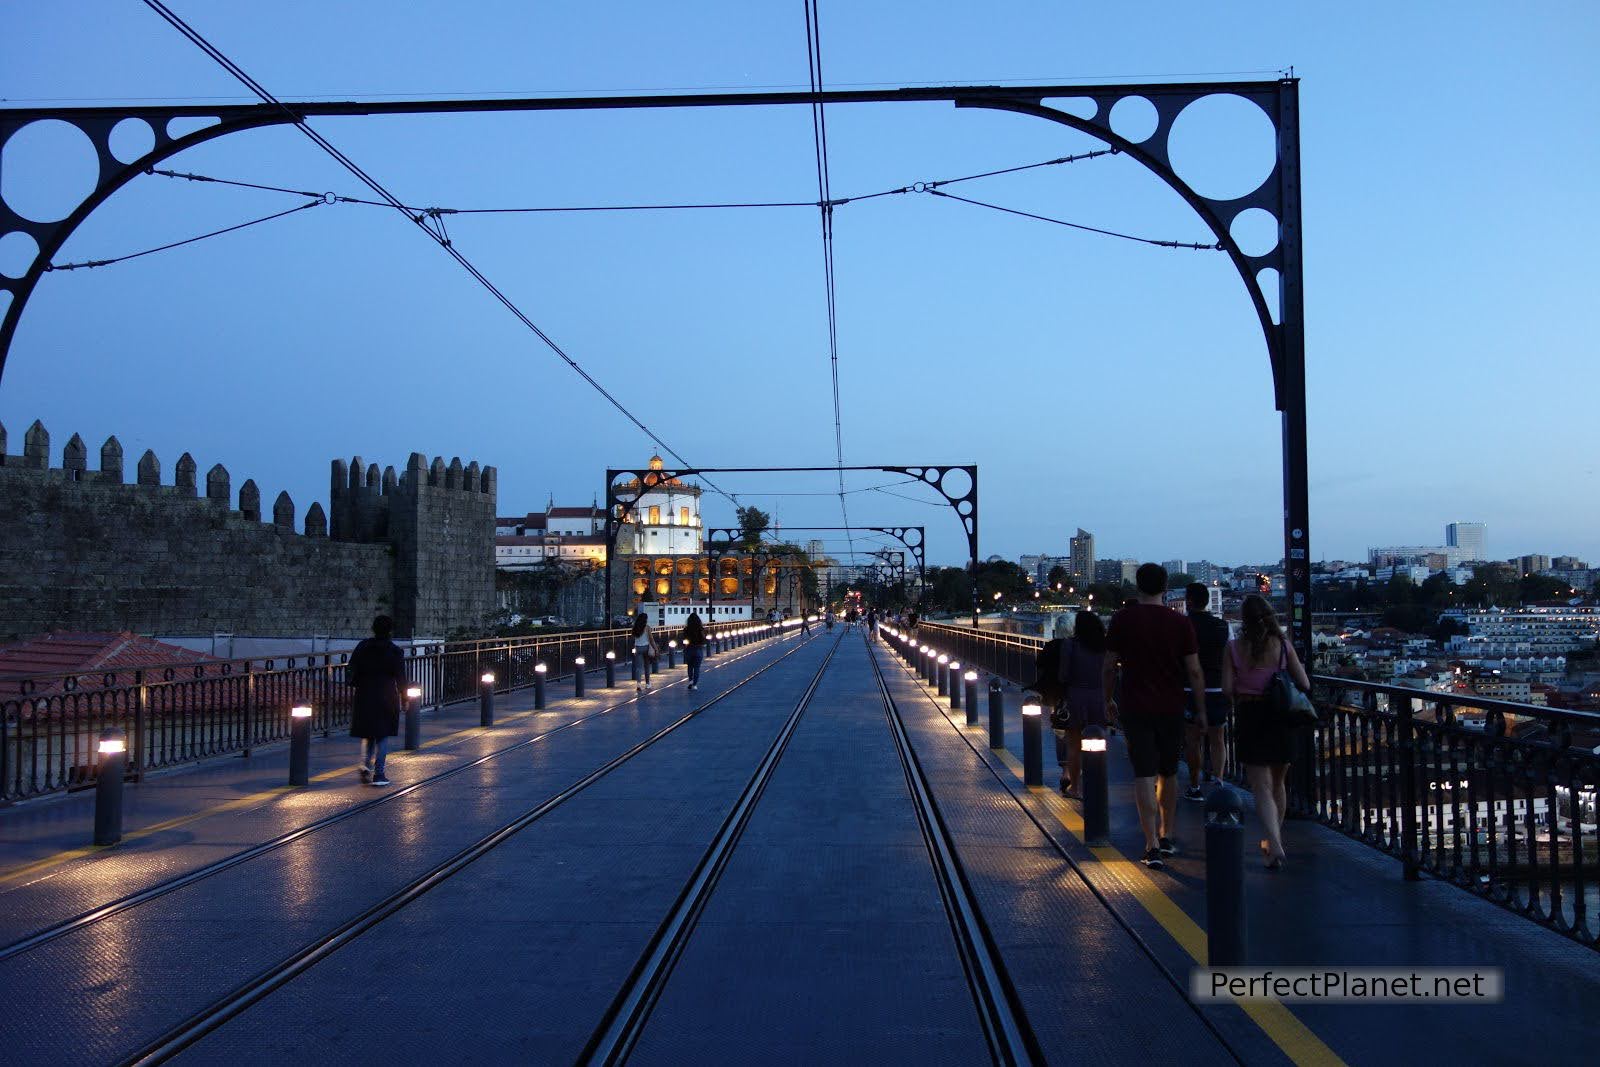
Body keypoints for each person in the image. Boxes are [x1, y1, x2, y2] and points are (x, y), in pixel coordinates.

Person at [1102, 564, 1208, 869]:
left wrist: (1108, 699)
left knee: (1143, 774)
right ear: (1165, 587)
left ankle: (1150, 843)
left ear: (1138, 586)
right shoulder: (1180, 623)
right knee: (1169, 771)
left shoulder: (1123, 619)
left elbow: (1110, 665)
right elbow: (1195, 670)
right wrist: (1200, 709)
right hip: (1171, 705)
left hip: (1135, 705)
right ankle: (1168, 833)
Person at [1222, 594, 1311, 870]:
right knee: (1278, 783)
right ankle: (1274, 842)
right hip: (1280, 717)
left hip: (1250, 716)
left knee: (1260, 786)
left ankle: (1275, 845)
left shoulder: (1234, 647)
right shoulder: (1283, 647)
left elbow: (1226, 689)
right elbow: (1304, 683)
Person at [1182, 583, 1232, 801]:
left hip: (1189, 688)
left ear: (1189, 601)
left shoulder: (1183, 626)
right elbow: (1230, 656)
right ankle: (1219, 780)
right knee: (1217, 738)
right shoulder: (1223, 626)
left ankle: (1194, 785)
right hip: (1217, 687)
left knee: (1193, 740)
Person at [1055, 611, 1108, 798]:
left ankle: (1076, 788)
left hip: (1076, 698)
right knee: (1096, 743)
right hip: (1098, 698)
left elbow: (1063, 675)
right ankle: (1096, 786)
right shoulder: (1104, 646)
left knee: (1074, 746)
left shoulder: (1070, 645)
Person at [348, 614, 405, 787]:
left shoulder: (362, 647)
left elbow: (352, 670)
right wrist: (405, 697)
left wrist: (357, 683)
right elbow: (400, 677)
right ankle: (379, 773)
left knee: (368, 732)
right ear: (390, 630)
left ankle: (365, 765)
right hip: (387, 695)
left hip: (365, 693)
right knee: (382, 735)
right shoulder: (394, 650)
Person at [682, 611, 707, 690]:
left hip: (689, 649)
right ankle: (695, 684)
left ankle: (690, 681)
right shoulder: (701, 629)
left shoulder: (686, 629)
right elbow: (703, 640)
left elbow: (684, 640)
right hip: (698, 649)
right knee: (697, 667)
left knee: (690, 666)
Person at [631, 611, 655, 692]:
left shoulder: (635, 627)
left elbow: (634, 639)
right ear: (645, 620)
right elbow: (651, 639)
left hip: (638, 648)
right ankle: (647, 684)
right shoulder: (647, 627)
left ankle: (638, 684)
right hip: (646, 648)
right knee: (646, 666)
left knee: (639, 667)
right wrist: (655, 648)